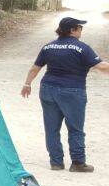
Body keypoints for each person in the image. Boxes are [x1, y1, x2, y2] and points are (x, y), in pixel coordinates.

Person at [21, 16, 109, 172]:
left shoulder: (48, 47)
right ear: (73, 30)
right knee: (75, 128)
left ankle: (56, 162)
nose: (82, 30)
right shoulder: (82, 48)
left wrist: (27, 84)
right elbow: (102, 67)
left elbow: (35, 68)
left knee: (51, 128)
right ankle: (77, 163)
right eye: (80, 27)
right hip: (72, 91)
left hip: (47, 89)